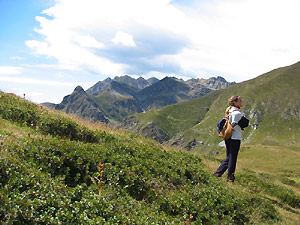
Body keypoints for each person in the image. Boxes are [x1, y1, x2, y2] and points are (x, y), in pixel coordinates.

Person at [214, 96, 244, 182]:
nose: (241, 101)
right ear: (235, 102)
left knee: (229, 157)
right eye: (240, 100)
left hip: (228, 137)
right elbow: (235, 123)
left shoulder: (229, 110)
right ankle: (230, 177)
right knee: (232, 158)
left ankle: (218, 173)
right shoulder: (237, 113)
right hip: (234, 137)